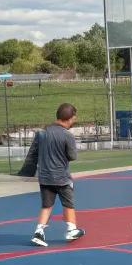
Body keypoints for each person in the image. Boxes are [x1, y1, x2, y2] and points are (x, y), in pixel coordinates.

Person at [28, 103, 85, 248]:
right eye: (73, 119)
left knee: (46, 206)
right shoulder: (67, 135)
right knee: (68, 203)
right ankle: (71, 229)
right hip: (61, 177)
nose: (74, 121)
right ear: (69, 118)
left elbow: (34, 153)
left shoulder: (42, 133)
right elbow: (72, 156)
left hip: (45, 176)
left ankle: (38, 233)